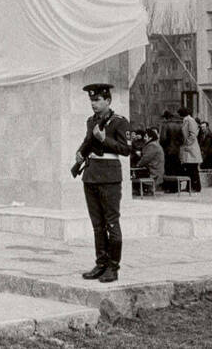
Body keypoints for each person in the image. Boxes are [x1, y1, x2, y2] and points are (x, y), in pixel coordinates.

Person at [75, 83, 131, 284]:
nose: (93, 104)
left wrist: (105, 139)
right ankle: (101, 263)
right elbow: (88, 140)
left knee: (111, 222)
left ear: (108, 101)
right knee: (97, 225)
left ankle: (113, 267)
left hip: (109, 178)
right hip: (91, 176)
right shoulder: (91, 121)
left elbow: (127, 149)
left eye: (97, 100)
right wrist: (80, 153)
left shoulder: (120, 122)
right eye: (91, 100)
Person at [178, 106, 202, 192]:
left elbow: (193, 134)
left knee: (193, 169)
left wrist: (186, 143)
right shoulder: (187, 120)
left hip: (191, 148)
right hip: (189, 149)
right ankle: (190, 187)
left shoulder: (190, 121)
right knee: (189, 169)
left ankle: (196, 187)